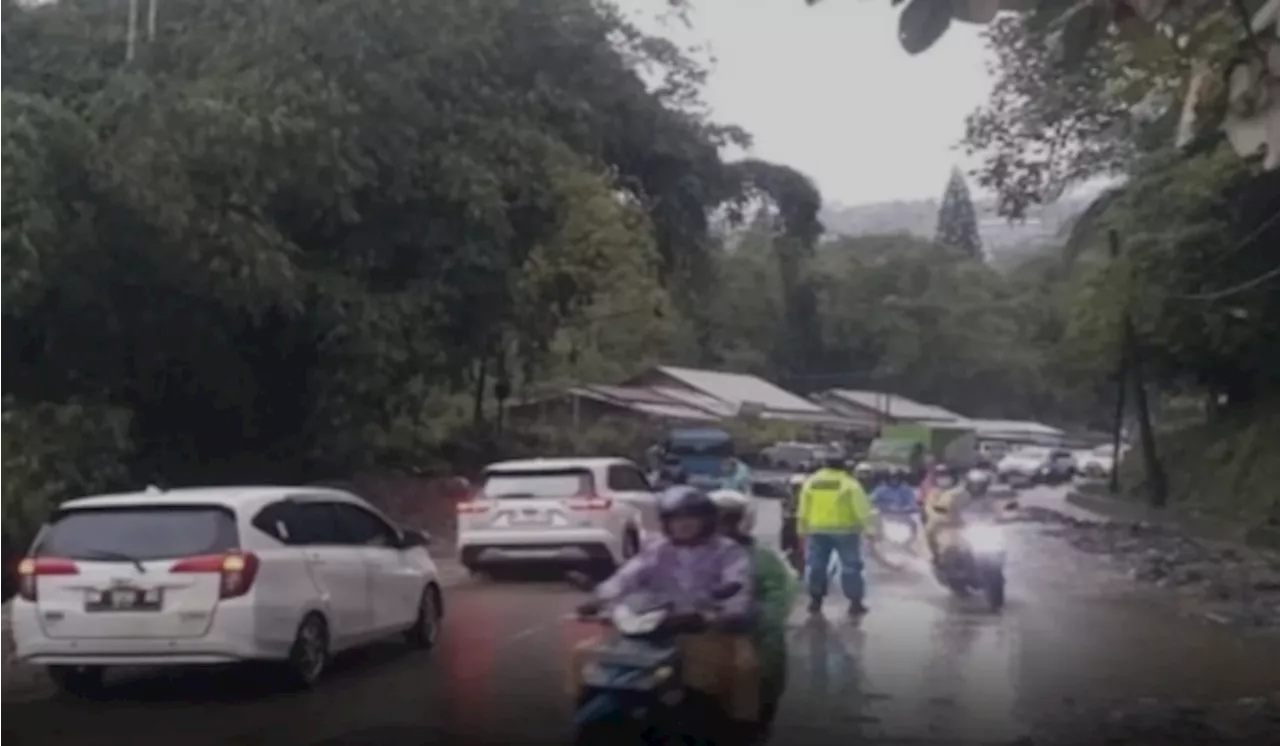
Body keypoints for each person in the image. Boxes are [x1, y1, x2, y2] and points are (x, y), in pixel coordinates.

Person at [569, 486, 761, 728]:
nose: (683, 525)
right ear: (666, 522)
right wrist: (597, 599)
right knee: (583, 653)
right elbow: (627, 577)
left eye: (691, 518)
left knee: (744, 668)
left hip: (708, 628)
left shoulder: (728, 551)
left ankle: (742, 729)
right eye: (676, 519)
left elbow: (739, 584)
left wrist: (730, 612)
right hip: (653, 628)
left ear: (707, 520)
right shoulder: (656, 548)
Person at [708, 489, 796, 737]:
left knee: (761, 684)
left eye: (728, 519)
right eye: (717, 519)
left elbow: (780, 598)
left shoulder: (763, 558)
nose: (722, 526)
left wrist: (750, 615)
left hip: (751, 637)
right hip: (701, 638)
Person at [796, 455, 877, 617]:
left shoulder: (811, 482)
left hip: (817, 531)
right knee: (851, 567)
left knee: (817, 566)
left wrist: (801, 530)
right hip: (845, 532)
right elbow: (862, 509)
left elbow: (803, 509)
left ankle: (815, 601)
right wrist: (870, 529)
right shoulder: (849, 484)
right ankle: (855, 604)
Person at [923, 468, 1006, 564]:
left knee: (998, 545)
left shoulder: (989, 496)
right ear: (967, 484)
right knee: (934, 531)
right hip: (958, 526)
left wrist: (1005, 514)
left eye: (980, 484)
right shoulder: (955, 495)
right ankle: (937, 555)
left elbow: (998, 509)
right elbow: (943, 506)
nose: (977, 487)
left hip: (981, 527)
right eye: (974, 484)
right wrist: (943, 513)